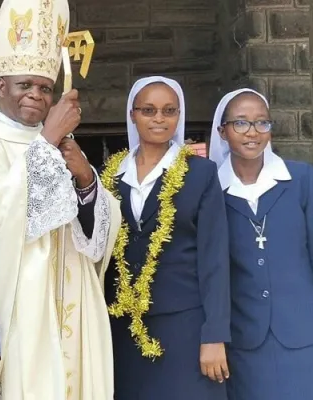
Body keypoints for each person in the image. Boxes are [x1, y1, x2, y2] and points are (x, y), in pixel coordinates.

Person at [0, 0, 122, 398]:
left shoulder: (62, 145)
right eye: (25, 85)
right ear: (1, 86)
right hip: (21, 303)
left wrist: (86, 179)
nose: (36, 96)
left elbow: (96, 232)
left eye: (45, 88)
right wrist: (46, 140)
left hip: (74, 296)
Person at [100, 76, 231, 400]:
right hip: (124, 327)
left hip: (185, 327)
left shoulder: (201, 173)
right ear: (133, 114)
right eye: (149, 110)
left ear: (178, 115)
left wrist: (214, 335)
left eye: (168, 110)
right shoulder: (111, 176)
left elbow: (214, 259)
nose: (159, 118)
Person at [209, 89, 313, 400]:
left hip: (302, 332)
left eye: (261, 123)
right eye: (240, 123)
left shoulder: (301, 179)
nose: (252, 132)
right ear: (222, 132)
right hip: (243, 340)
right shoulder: (211, 188)